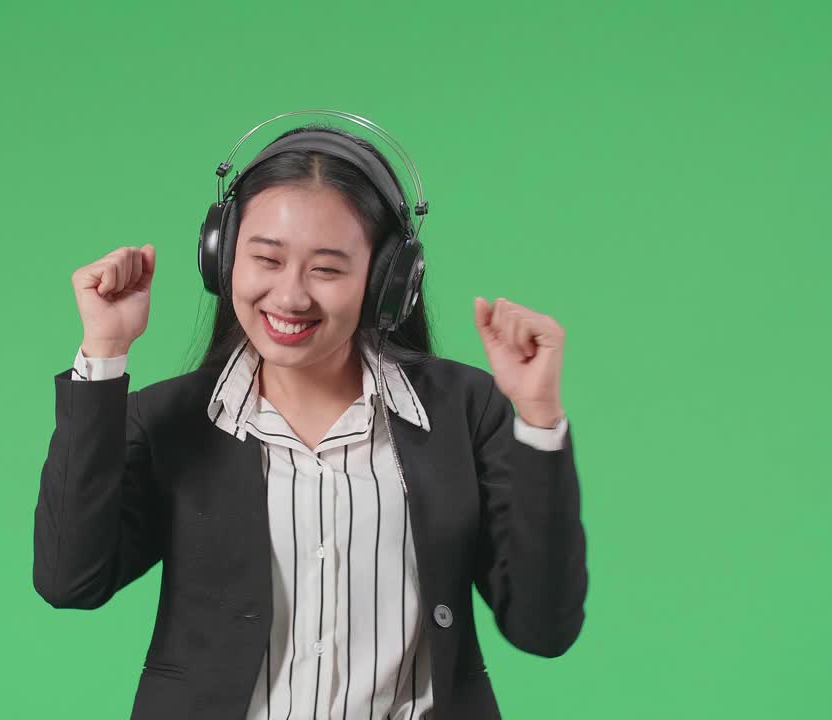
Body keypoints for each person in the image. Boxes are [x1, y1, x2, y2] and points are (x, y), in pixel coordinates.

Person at [33, 123, 588, 719]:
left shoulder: (463, 411)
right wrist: (104, 353)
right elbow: (71, 580)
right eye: (266, 259)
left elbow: (542, 627)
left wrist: (537, 419)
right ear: (221, 258)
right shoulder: (171, 419)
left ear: (386, 281)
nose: (291, 297)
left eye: (327, 270)